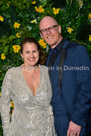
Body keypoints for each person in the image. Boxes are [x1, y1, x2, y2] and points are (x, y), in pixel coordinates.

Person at [39, 16, 91, 136]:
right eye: (44, 30)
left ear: (59, 29)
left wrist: (77, 120)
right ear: (41, 35)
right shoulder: (48, 58)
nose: (48, 32)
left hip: (75, 124)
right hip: (57, 124)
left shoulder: (77, 50)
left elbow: (87, 87)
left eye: (51, 28)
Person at [0, 37, 57, 136]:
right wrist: (7, 131)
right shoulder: (12, 74)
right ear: (21, 54)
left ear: (39, 52)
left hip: (47, 131)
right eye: (27, 52)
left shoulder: (48, 72)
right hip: (19, 131)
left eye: (34, 51)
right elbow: (4, 104)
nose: (31, 56)